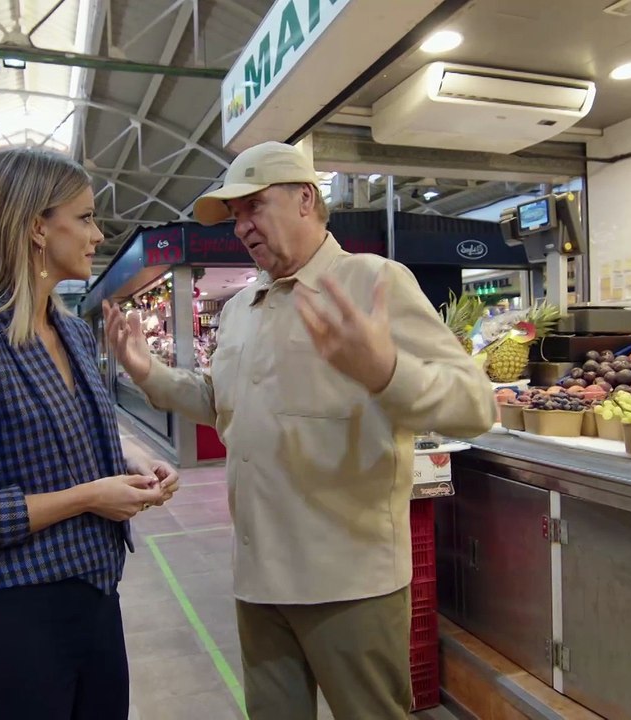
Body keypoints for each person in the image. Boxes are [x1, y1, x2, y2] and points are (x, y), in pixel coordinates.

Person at [103, 141, 495, 720]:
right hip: (258, 580)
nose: (240, 227)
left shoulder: (371, 283)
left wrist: (386, 371)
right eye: (234, 216)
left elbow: (475, 404)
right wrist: (148, 372)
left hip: (349, 582)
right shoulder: (243, 309)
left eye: (253, 206)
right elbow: (222, 402)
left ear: (306, 198)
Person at [0, 146, 181, 720]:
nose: (98, 234)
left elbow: (67, 438)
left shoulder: (73, 334)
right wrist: (88, 497)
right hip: (15, 627)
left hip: (97, 608)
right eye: (84, 217)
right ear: (35, 227)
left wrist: (127, 464)